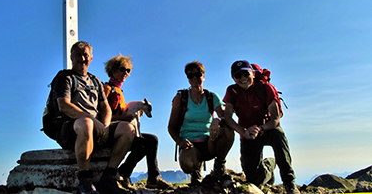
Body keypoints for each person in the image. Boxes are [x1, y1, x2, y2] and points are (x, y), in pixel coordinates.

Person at [48, 41, 135, 194]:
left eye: (85, 55)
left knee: (128, 128)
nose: (82, 59)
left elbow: (105, 107)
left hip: (95, 127)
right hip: (71, 128)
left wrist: (106, 125)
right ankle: (85, 181)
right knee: (86, 123)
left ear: (91, 58)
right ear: (71, 57)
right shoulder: (65, 78)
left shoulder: (95, 81)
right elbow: (64, 105)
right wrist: (94, 121)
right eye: (78, 55)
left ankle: (108, 178)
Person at [223, 60, 300, 194]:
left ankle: (289, 184)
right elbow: (228, 117)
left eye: (246, 74)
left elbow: (276, 120)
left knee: (278, 135)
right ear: (233, 78)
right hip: (248, 134)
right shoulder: (232, 91)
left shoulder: (265, 88)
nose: (243, 78)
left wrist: (261, 129)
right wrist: (244, 132)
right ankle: (269, 165)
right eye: (238, 76)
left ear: (253, 73)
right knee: (254, 180)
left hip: (267, 129)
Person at [102, 55, 172, 190]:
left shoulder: (118, 90)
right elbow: (102, 114)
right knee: (146, 143)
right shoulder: (107, 89)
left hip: (121, 129)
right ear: (113, 70)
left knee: (152, 140)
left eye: (128, 71)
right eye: (123, 69)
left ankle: (150, 177)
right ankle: (126, 173)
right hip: (112, 132)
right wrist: (123, 118)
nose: (126, 73)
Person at [168, 61, 235, 186]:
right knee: (187, 164)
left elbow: (225, 116)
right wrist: (180, 142)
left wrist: (217, 121)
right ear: (187, 78)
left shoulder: (211, 97)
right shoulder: (181, 97)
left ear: (203, 76)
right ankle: (195, 172)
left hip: (210, 141)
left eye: (198, 74)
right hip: (189, 144)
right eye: (190, 75)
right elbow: (171, 127)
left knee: (227, 129)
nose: (194, 78)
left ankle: (219, 166)